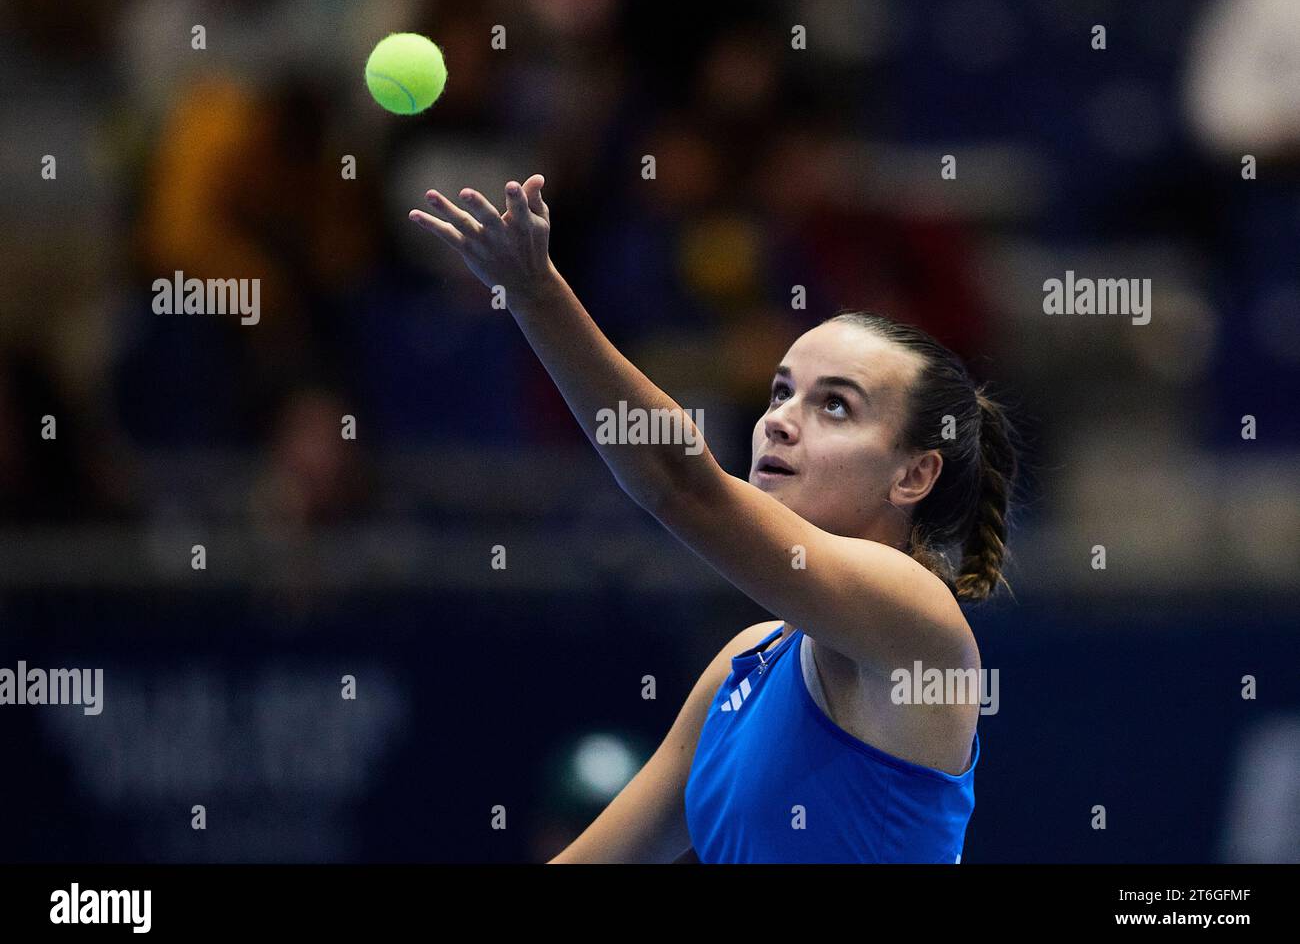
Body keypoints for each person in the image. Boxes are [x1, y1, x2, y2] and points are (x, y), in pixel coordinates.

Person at [409, 175, 1018, 863]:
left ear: (914, 474)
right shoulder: (743, 662)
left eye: (836, 406)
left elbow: (681, 486)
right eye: (781, 392)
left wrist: (536, 293)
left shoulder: (916, 623)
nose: (783, 422)